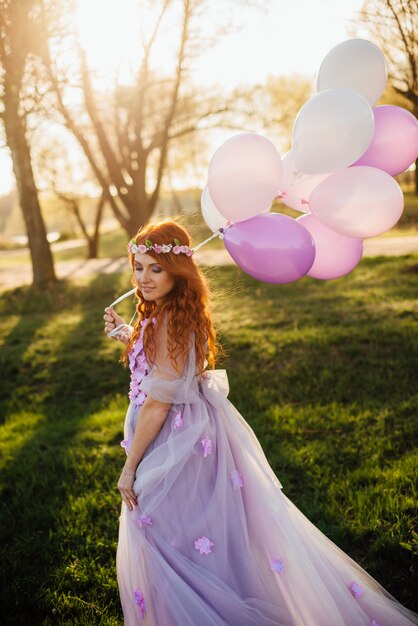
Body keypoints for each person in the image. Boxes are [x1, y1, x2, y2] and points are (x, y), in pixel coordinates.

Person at [103, 220, 418, 626]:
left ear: (176, 271)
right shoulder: (174, 312)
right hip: (192, 433)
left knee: (163, 531)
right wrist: (129, 334)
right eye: (138, 267)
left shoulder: (168, 319)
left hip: (171, 440)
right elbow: (166, 362)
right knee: (197, 529)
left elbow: (159, 402)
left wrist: (130, 468)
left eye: (155, 269)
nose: (143, 278)